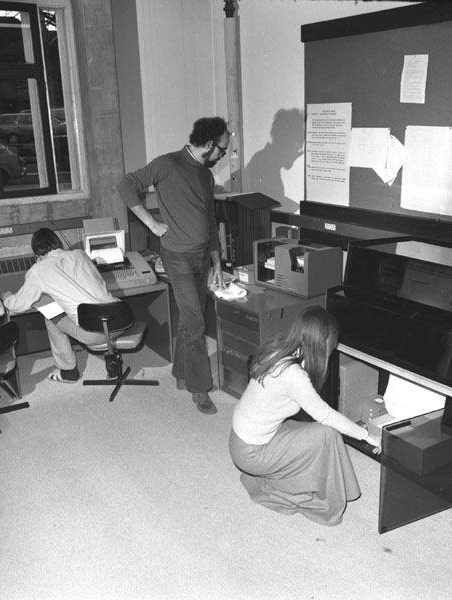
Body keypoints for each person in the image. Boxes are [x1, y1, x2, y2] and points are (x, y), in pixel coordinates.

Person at [229, 305, 381, 526]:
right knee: (326, 434)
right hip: (251, 453)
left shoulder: (278, 349)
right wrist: (366, 435)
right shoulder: (294, 375)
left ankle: (338, 487)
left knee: (315, 435)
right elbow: (326, 415)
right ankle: (329, 497)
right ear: (324, 343)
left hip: (242, 440)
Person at [117, 116, 229, 415]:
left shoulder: (206, 176)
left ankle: (182, 374)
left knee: (191, 318)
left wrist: (217, 258)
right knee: (195, 321)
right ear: (208, 144)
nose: (222, 156)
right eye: (222, 149)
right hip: (177, 257)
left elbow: (209, 218)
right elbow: (126, 185)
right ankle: (199, 388)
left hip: (203, 256)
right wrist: (151, 223)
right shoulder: (166, 164)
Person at [2, 228, 121, 383]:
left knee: (51, 318)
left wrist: (6, 297)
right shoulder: (80, 254)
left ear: (36, 253)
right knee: (97, 310)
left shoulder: (38, 270)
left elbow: (17, 306)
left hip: (95, 333)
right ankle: (111, 362)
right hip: (120, 321)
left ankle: (68, 371)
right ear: (58, 242)